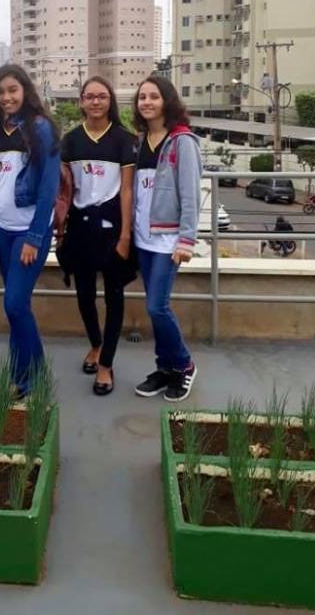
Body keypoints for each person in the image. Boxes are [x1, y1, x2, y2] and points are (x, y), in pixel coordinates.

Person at [0, 64, 60, 398]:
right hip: (0, 229)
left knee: (13, 304)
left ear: (25, 90)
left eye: (12, 90)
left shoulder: (41, 128)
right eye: (0, 93)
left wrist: (35, 237)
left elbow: (49, 188)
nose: (6, 97)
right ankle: (21, 374)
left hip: (28, 233)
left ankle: (32, 373)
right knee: (18, 306)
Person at [57, 76, 136, 396]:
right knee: (84, 294)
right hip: (79, 227)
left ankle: (106, 364)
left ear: (110, 101)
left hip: (112, 227)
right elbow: (64, 190)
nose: (95, 102)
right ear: (81, 102)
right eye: (89, 97)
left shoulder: (124, 139)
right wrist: (59, 228)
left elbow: (127, 191)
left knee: (114, 296)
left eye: (102, 96)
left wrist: (125, 235)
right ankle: (95, 343)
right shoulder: (70, 140)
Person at [132, 76, 202, 403]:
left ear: (167, 101)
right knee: (154, 308)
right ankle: (165, 368)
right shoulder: (140, 140)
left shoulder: (182, 141)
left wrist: (187, 239)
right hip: (143, 239)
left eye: (154, 96)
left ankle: (184, 364)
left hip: (168, 239)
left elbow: (190, 194)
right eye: (142, 97)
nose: (147, 102)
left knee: (156, 307)